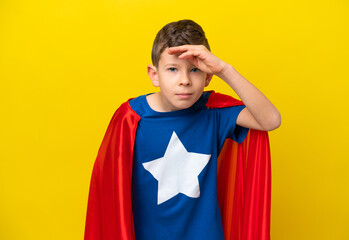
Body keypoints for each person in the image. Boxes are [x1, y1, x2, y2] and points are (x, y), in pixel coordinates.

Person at [85, 19, 281, 240]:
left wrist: (225, 70)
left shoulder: (214, 112)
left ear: (208, 76)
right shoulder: (131, 118)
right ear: (154, 75)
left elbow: (270, 120)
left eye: (195, 70)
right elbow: (109, 193)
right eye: (172, 69)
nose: (185, 81)